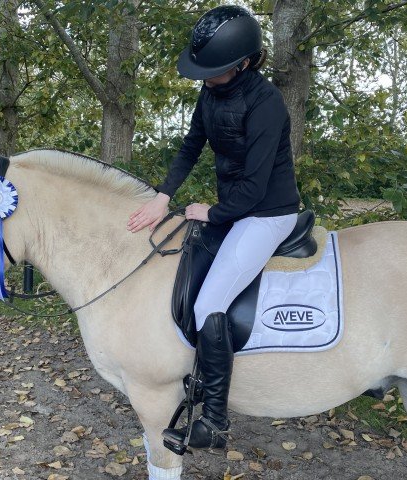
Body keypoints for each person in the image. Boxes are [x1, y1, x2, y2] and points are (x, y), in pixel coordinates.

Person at [127, 5, 301, 450]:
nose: (205, 78)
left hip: (265, 213)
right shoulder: (210, 94)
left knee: (208, 305)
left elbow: (257, 186)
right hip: (235, 209)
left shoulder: (267, 104)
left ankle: (215, 422)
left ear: (243, 64)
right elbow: (191, 147)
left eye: (215, 70)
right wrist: (163, 195)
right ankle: (193, 373)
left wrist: (213, 212)